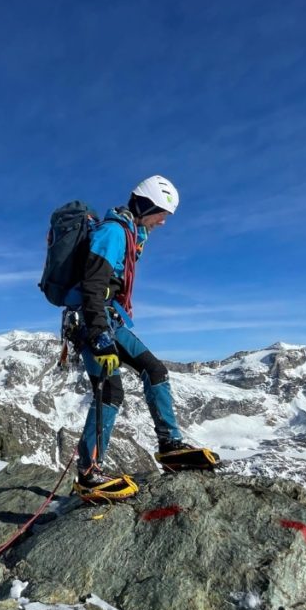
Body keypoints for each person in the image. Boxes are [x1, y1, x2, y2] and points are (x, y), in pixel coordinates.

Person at [62, 175, 210, 498]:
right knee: (110, 393)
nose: (163, 222)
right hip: (93, 323)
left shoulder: (130, 236)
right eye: (161, 213)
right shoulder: (113, 233)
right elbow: (92, 285)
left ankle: (170, 446)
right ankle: (88, 474)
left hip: (110, 322)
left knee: (155, 370)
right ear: (145, 206)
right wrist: (99, 336)